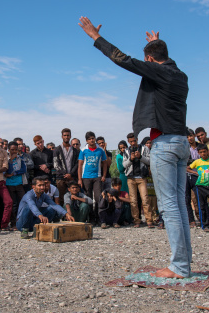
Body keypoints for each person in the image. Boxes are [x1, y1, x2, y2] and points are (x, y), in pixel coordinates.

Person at [80, 18, 190, 278]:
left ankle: (180, 266)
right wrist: (154, 46)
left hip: (164, 144)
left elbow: (123, 59)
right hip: (181, 143)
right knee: (179, 206)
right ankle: (183, 264)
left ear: (150, 61)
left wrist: (96, 37)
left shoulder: (159, 71)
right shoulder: (180, 75)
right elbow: (161, 60)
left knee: (169, 206)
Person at [188, 143, 209, 231]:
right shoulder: (197, 162)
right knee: (202, 206)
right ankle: (205, 225)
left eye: (204, 152)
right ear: (198, 153)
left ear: (207, 151)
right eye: (201, 152)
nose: (203, 154)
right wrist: (196, 173)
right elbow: (187, 168)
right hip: (200, 187)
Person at [122, 133, 152, 228]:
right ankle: (136, 220)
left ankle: (149, 220)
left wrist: (140, 157)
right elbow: (124, 165)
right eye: (131, 141)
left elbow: (150, 161)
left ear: (137, 139)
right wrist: (131, 159)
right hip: (131, 178)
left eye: (134, 141)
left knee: (145, 199)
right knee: (133, 201)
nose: (133, 143)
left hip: (141, 177)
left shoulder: (144, 149)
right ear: (128, 141)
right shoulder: (126, 151)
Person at [78, 131, 108, 224]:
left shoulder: (100, 150)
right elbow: (80, 165)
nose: (92, 140)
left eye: (93, 138)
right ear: (86, 140)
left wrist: (104, 175)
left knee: (98, 197)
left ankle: (98, 217)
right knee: (89, 198)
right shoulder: (83, 150)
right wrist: (79, 179)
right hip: (86, 177)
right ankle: (91, 218)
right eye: (90, 139)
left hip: (97, 177)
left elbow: (105, 163)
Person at [53, 128, 79, 205]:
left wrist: (70, 174)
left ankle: (72, 215)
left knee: (73, 197)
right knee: (61, 197)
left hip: (72, 177)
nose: (66, 137)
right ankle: (62, 215)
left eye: (68, 135)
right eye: (65, 135)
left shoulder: (75, 150)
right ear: (62, 136)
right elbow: (56, 164)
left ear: (70, 136)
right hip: (61, 177)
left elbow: (77, 164)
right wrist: (65, 174)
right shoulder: (57, 149)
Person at [5, 141, 27, 230]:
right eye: (12, 150)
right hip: (10, 184)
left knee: (23, 202)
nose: (14, 151)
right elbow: (7, 171)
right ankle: (13, 222)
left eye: (15, 150)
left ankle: (22, 220)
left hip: (19, 183)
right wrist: (10, 161)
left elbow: (23, 169)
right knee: (13, 204)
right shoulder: (6, 159)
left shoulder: (20, 158)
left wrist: (14, 173)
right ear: (8, 150)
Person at [185, 129, 200, 226]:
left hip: (198, 175)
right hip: (186, 175)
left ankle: (201, 218)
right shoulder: (184, 148)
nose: (190, 138)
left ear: (194, 135)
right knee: (187, 198)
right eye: (187, 137)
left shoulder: (200, 147)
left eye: (191, 136)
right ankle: (191, 220)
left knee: (198, 198)